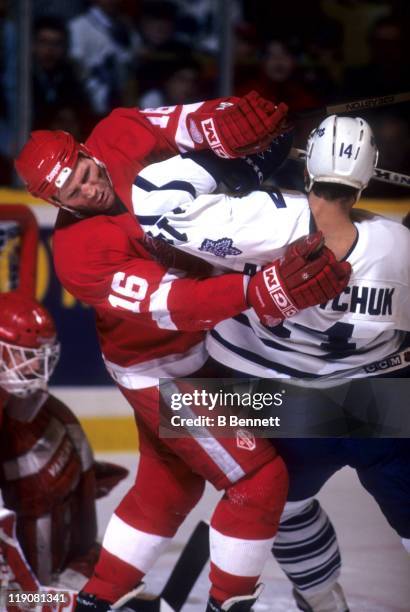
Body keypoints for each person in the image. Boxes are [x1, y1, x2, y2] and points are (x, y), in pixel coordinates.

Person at [14, 102, 351, 610]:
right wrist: (257, 291)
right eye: (71, 192)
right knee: (259, 480)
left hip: (210, 351)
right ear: (54, 200)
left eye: (84, 171)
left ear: (85, 149)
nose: (88, 188)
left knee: (166, 489)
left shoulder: (120, 131)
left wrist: (226, 121)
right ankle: (228, 603)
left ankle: (98, 598)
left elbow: (192, 123)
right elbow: (178, 305)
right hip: (163, 374)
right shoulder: (77, 257)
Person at [133, 114, 410, 612]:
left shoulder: (264, 218)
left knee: (276, 503)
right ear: (370, 175)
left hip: (278, 405)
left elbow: (152, 200)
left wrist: (230, 162)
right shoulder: (399, 247)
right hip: (378, 406)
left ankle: (325, 601)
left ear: (307, 169)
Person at [0, 290, 127, 593]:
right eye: (24, 357)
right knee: (40, 473)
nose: (34, 369)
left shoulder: (31, 403)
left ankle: (68, 566)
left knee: (57, 451)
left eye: (38, 358)